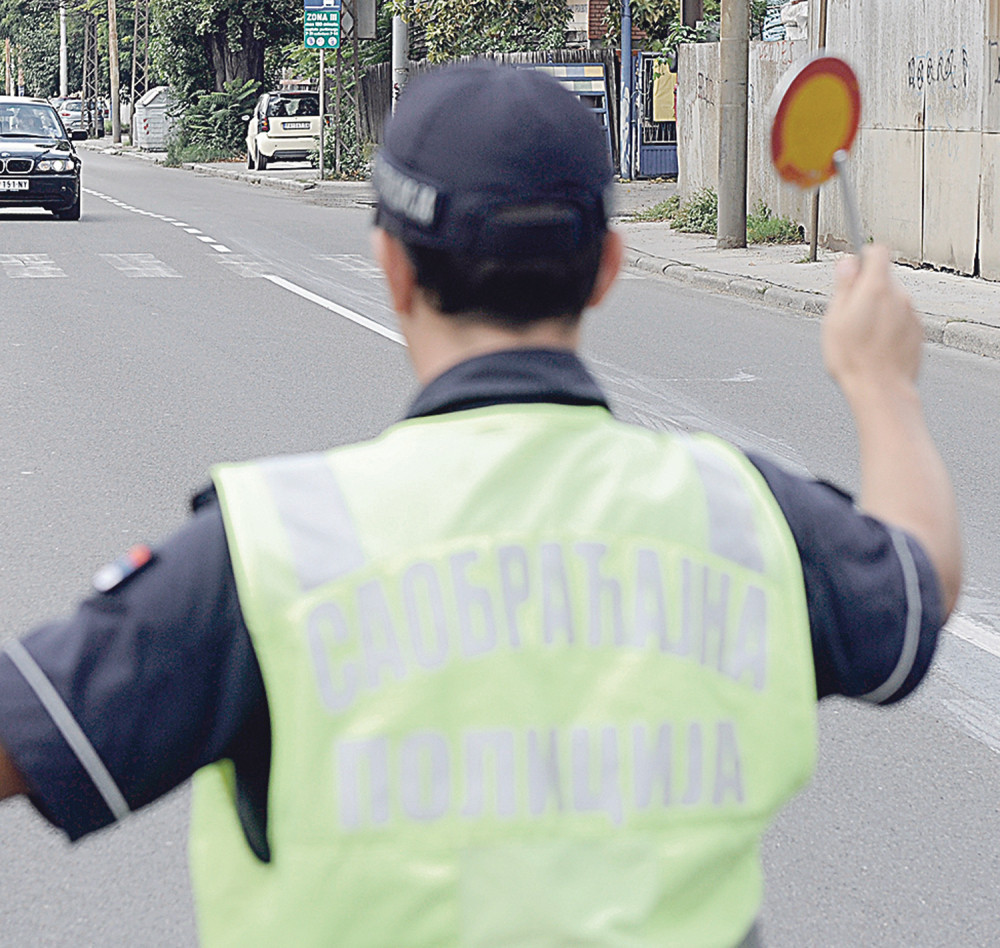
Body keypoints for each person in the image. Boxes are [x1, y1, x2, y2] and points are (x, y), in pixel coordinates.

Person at [0, 65, 960, 948]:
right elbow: (919, 586)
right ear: (608, 268)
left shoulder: (271, 555)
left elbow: (27, 732)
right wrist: (882, 390)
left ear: (393, 267)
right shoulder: (744, 517)